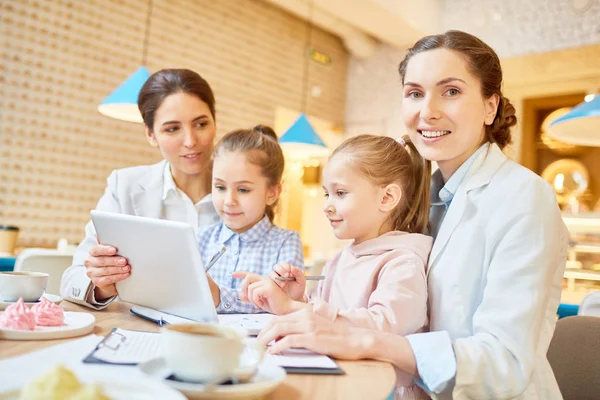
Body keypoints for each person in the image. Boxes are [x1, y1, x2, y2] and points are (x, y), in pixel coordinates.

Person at [256, 30, 568, 400]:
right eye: (415, 93)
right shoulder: (426, 196)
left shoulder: (523, 197)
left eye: (451, 91)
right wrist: (307, 305)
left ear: (490, 106)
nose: (427, 111)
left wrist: (364, 340)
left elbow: (504, 362)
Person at [236, 134, 432, 399]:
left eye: (340, 193)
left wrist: (296, 308)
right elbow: (325, 315)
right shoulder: (340, 258)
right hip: (338, 378)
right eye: (327, 194)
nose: (327, 206)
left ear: (387, 198)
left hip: (383, 390)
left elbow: (387, 329)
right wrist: (299, 299)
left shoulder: (401, 263)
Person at [61, 69, 220, 309]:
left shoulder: (246, 188)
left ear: (215, 123)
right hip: (141, 330)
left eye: (200, 124)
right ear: (151, 134)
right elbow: (72, 279)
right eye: (172, 129)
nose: (190, 141)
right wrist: (102, 285)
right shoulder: (123, 186)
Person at [197, 125, 304, 313]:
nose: (229, 201)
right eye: (220, 187)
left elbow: (280, 304)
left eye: (243, 190)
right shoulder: (199, 238)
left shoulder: (285, 242)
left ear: (272, 193)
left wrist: (219, 297)